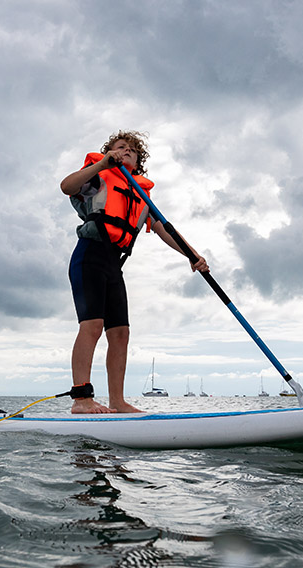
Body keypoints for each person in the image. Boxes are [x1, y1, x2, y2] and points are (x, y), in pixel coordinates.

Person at [59, 131, 208, 414]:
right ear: (110, 153)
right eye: (120, 147)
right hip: (89, 255)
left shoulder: (141, 194)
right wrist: (103, 163)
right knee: (92, 326)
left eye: (132, 149)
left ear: (138, 163)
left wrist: (193, 255)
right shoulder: (98, 178)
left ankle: (118, 401)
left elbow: (165, 228)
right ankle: (81, 399)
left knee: (121, 333)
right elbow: (67, 186)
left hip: (115, 264)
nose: (126, 150)